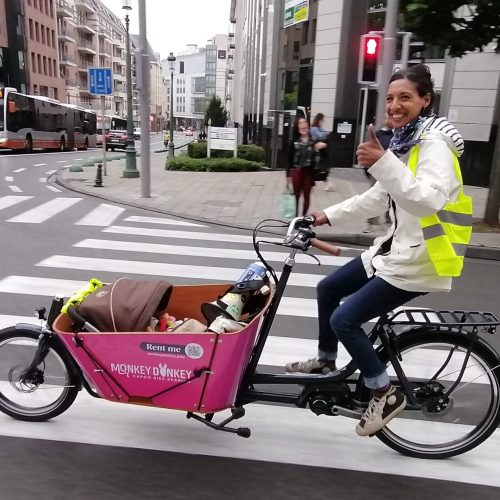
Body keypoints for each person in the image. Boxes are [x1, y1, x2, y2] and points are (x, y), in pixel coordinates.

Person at [285, 64, 471, 437]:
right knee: (328, 290)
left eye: (405, 97)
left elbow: (425, 202)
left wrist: (383, 161)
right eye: (389, 98)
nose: (395, 105)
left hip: (421, 261)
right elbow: (376, 198)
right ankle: (326, 362)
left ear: (425, 100)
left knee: (345, 320)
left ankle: (383, 391)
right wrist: (322, 216)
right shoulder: (408, 141)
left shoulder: (433, 145)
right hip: (394, 251)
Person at [287, 117, 327, 216]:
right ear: (297, 127)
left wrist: (321, 147)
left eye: (304, 122)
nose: (303, 125)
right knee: (296, 196)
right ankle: (295, 217)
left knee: (306, 196)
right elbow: (289, 159)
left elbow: (325, 155)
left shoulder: (314, 141)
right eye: (300, 123)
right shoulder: (294, 141)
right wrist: (288, 175)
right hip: (297, 171)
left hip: (309, 173)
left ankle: (303, 218)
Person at [311, 113, 335, 192]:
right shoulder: (314, 129)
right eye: (322, 120)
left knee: (323, 168)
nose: (323, 122)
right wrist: (327, 134)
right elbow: (321, 136)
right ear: (319, 120)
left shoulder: (319, 128)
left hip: (322, 151)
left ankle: (326, 184)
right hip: (317, 151)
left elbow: (323, 135)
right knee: (320, 168)